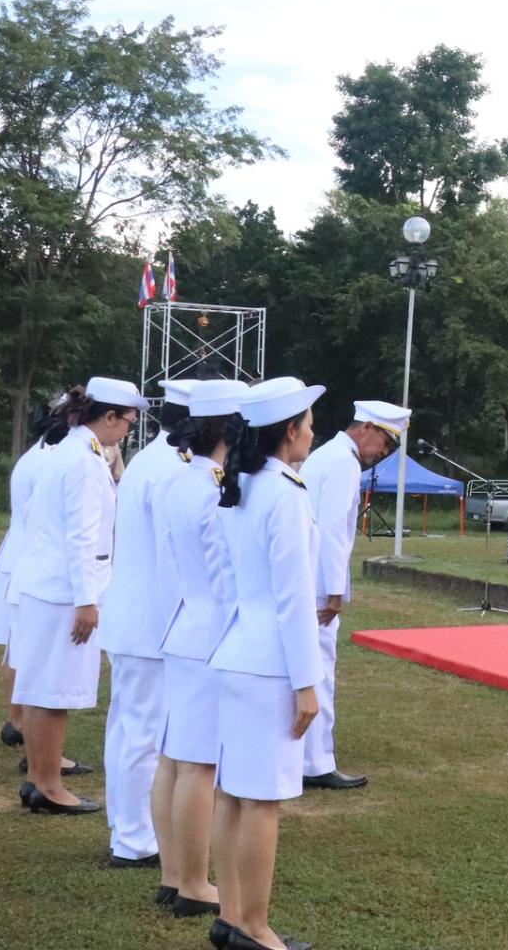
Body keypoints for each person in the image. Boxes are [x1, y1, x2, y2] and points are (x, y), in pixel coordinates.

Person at [210, 376, 324, 950]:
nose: (312, 432)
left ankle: (233, 916)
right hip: (267, 665)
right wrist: (308, 683)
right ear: (288, 431)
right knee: (261, 802)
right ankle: (252, 925)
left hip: (236, 653)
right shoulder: (283, 493)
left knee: (233, 793)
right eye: (307, 423)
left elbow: (226, 580)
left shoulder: (243, 486)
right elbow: (292, 600)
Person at [10, 375, 146, 814]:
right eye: (127, 421)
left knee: (37, 690)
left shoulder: (65, 452)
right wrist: (87, 600)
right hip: (63, 593)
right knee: (54, 694)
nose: (127, 429)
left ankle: (38, 779)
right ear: (107, 417)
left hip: (43, 586)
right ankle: (50, 786)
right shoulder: (84, 462)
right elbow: (84, 537)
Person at [151, 378, 248, 929]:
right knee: (198, 764)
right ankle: (192, 881)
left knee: (174, 756)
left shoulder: (182, 480)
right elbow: (224, 572)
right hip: (208, 630)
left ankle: (173, 874)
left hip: (184, 625)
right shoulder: (212, 486)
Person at [99, 378, 195, 868]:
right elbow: (172, 560)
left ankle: (127, 827)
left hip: (134, 616)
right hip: (152, 622)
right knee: (142, 734)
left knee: (128, 729)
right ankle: (134, 839)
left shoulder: (154, 460)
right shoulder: (172, 470)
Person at [299, 398, 408, 791]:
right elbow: (331, 531)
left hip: (305, 579)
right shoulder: (342, 461)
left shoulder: (328, 456)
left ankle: (307, 756)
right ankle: (316, 761)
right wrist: (334, 591)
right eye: (384, 443)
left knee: (307, 670)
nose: (382, 454)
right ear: (366, 429)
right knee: (319, 672)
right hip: (315, 584)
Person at [0, 391, 72, 746]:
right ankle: (19, 721)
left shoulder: (40, 454)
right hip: (30, 559)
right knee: (24, 649)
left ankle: (17, 720)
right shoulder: (52, 460)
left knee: (18, 646)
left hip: (21, 556)